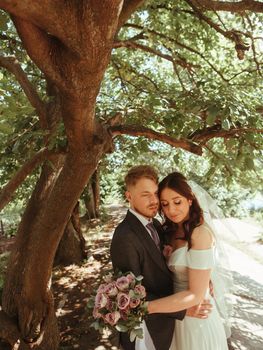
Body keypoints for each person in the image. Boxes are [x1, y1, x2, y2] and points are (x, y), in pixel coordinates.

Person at [110, 166, 211, 350]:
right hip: (148, 332)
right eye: (145, 194)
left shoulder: (156, 225)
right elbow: (131, 294)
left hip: (171, 324)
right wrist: (183, 309)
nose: (154, 201)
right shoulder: (125, 236)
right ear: (129, 196)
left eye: (156, 194)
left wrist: (202, 277)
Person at [147, 171, 230, 350]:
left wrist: (146, 308)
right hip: (174, 314)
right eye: (165, 204)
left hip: (197, 317)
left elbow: (196, 294)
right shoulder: (167, 230)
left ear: (190, 200)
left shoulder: (199, 234)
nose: (171, 210)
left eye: (177, 202)